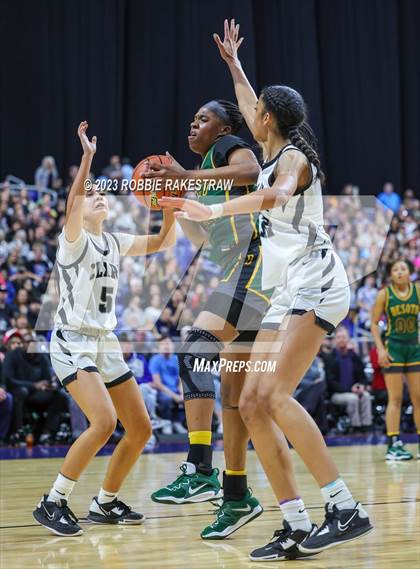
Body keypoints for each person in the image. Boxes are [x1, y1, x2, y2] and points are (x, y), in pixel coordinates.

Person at [160, 19, 373, 560]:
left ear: (268, 121)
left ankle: (343, 506)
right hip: (285, 288)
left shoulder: (293, 160)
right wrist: (234, 65)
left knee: (271, 395)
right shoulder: (271, 141)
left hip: (317, 280)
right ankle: (294, 522)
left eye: (257, 112)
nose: (249, 113)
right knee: (252, 402)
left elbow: (276, 197)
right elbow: (250, 99)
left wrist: (213, 206)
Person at [146, 96, 288, 539]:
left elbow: (250, 171)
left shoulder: (229, 149)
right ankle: (236, 494)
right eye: (191, 119)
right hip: (240, 269)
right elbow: (204, 237)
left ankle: (199, 465)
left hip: (256, 266)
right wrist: (178, 202)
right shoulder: (208, 176)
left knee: (195, 346)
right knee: (232, 395)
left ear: (224, 127)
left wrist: (188, 175)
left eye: (202, 119)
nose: (193, 125)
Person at [32, 121, 176, 537]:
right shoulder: (73, 239)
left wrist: (168, 202)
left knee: (142, 429)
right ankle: (53, 500)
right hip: (72, 341)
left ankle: (106, 502)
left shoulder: (113, 241)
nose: (96, 198)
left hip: (105, 342)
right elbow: (75, 198)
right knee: (103, 422)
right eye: (91, 196)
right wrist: (88, 159)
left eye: (100, 195)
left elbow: (163, 243)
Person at [371, 259, 420, 460]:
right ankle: (393, 444)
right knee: (396, 398)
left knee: (418, 398)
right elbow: (374, 324)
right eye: (395, 269)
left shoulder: (417, 291)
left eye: (403, 269)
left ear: (410, 273)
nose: (399, 272)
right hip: (394, 349)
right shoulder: (385, 294)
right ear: (391, 274)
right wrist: (381, 350)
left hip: (414, 347)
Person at [325, 326, 372, 432]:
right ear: (335, 340)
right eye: (339, 337)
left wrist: (361, 386)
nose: (341, 339)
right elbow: (330, 382)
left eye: (344, 337)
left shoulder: (354, 357)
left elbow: (362, 377)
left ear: (348, 339)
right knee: (353, 398)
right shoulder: (330, 358)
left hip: (354, 391)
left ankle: (366, 426)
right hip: (337, 394)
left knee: (366, 396)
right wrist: (350, 390)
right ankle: (356, 426)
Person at [149, 336, 186, 434]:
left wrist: (182, 393)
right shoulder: (155, 360)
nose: (166, 346)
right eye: (163, 344)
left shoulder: (177, 359)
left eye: (168, 343)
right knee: (167, 399)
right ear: (158, 347)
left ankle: (177, 422)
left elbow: (180, 380)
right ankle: (167, 422)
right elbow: (157, 383)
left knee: (189, 396)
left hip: (175, 390)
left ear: (173, 346)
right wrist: (175, 396)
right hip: (162, 390)